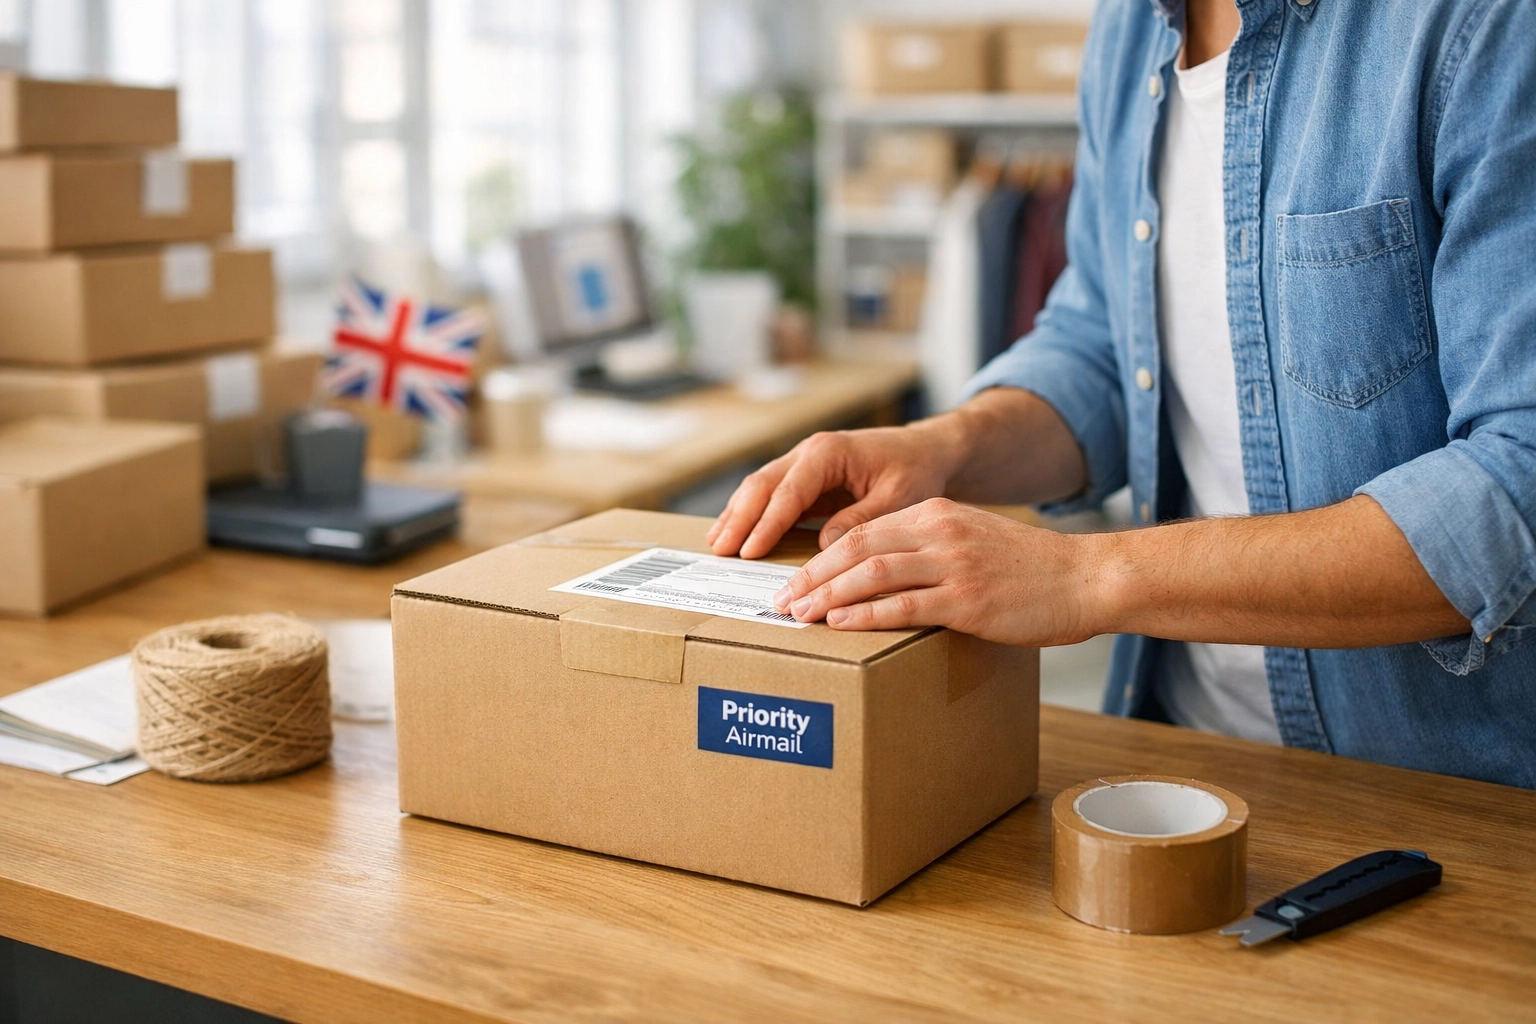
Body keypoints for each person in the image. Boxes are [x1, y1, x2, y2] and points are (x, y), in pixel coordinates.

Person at [708, 0, 1536, 790]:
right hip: (1175, 749)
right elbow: (1103, 344)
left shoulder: (1480, 26)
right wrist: (943, 447)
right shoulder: (1129, 33)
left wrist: (1087, 579)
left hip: (1441, 790)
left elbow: (1516, 482)